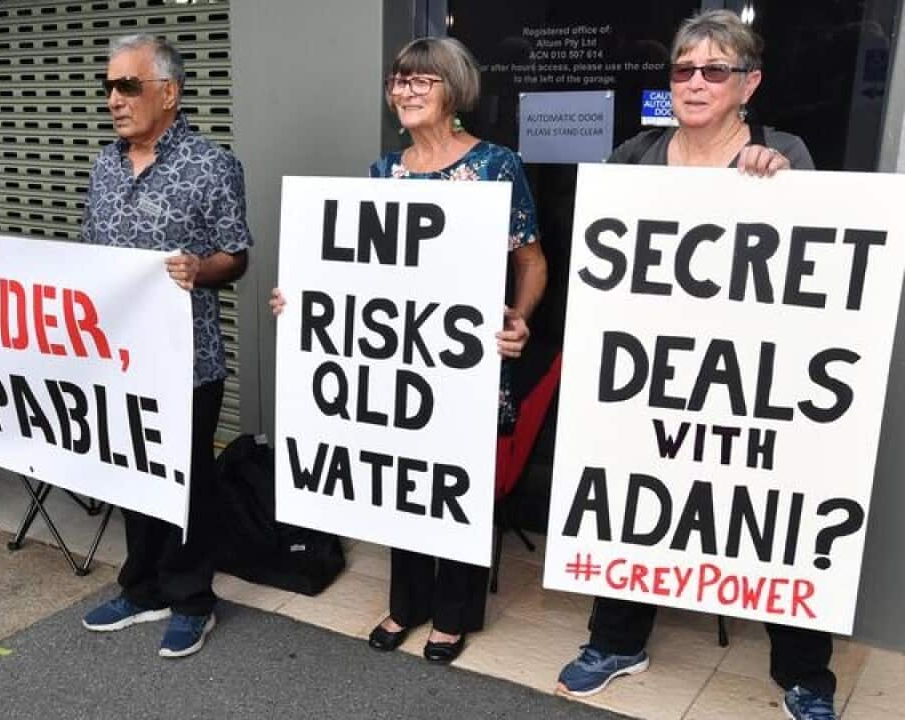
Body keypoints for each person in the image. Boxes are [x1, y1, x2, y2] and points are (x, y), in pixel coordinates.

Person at [553, 11, 831, 720]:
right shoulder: (634, 156)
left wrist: (785, 188)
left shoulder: (785, 152)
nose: (696, 82)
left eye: (715, 70)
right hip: (652, 373)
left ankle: (804, 674)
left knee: (769, 514)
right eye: (683, 69)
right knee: (634, 501)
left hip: (749, 381)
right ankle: (615, 642)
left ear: (749, 83)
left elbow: (823, 273)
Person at [271, 36, 548, 665]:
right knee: (405, 477)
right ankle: (409, 602)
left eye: (423, 80)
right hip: (400, 357)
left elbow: (532, 262)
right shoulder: (383, 171)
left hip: (465, 359)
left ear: (454, 91)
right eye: (400, 80)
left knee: (456, 484)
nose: (407, 91)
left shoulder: (496, 164)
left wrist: (519, 318)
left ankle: (453, 614)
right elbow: (363, 272)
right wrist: (309, 300)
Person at [79, 34, 252, 658]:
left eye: (128, 85)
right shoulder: (103, 165)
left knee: (186, 481)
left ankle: (192, 599)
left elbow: (236, 256)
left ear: (169, 93)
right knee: (132, 475)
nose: (114, 99)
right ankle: (142, 586)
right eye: (109, 86)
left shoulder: (212, 165)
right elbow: (92, 255)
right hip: (119, 357)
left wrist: (199, 271)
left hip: (188, 359)